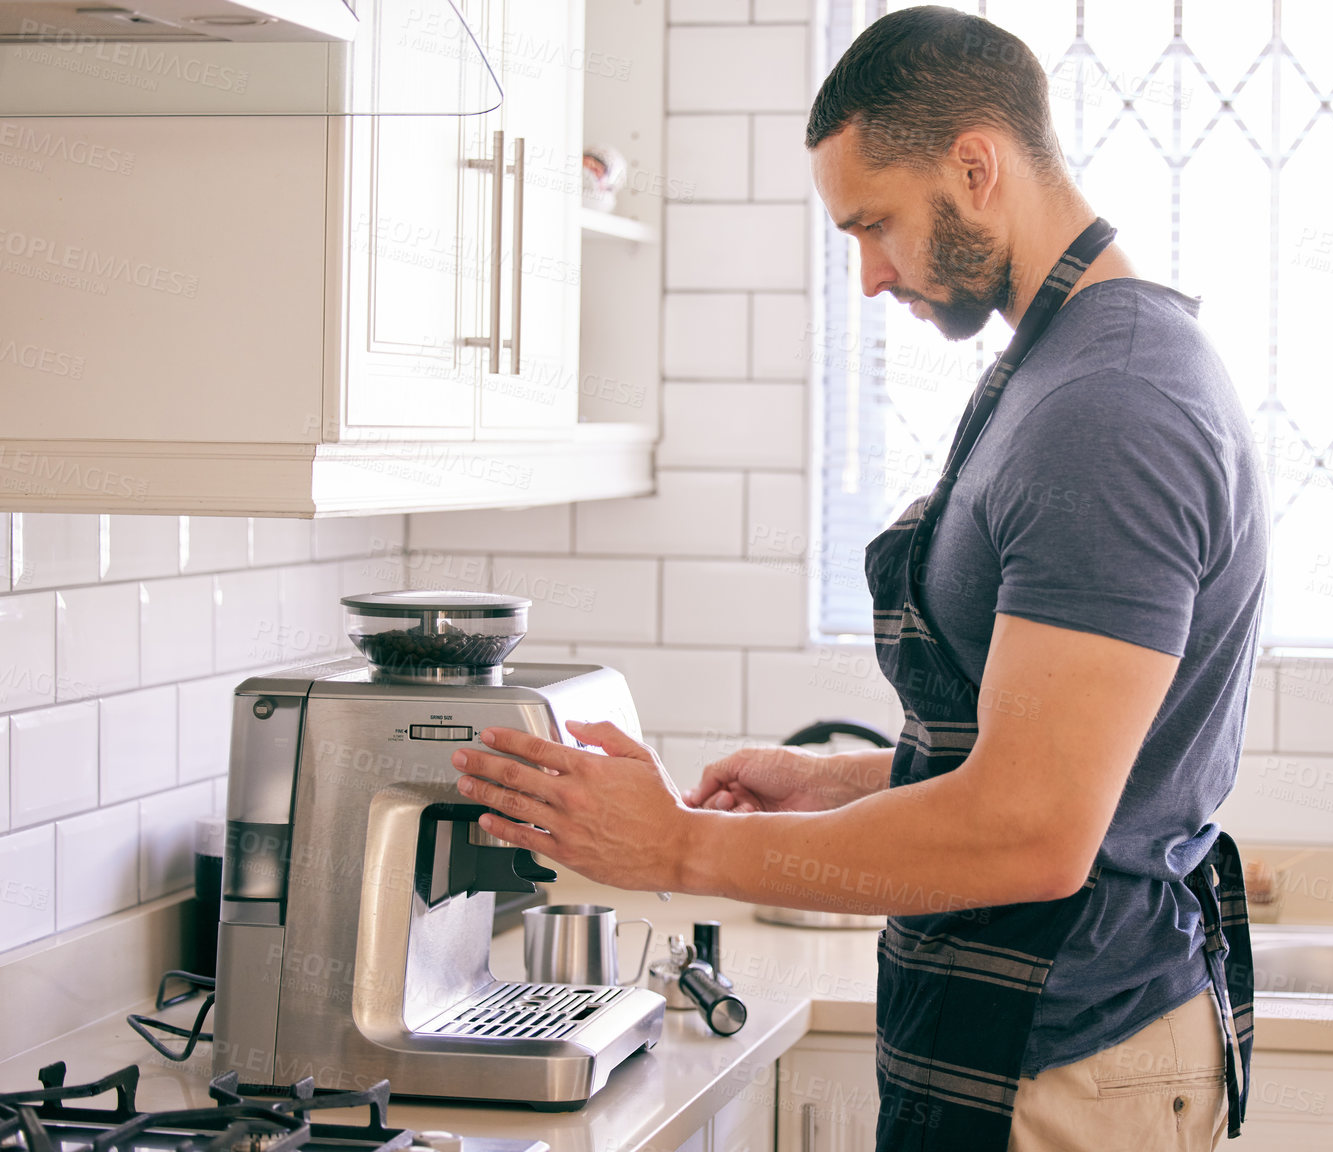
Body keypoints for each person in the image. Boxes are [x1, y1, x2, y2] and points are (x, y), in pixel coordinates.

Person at [449, 8, 1267, 1150]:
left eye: (875, 224)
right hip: (1025, 1038)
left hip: (1066, 1052)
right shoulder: (1064, 369)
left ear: (976, 166)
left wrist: (680, 850)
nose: (872, 275)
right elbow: (1071, 760)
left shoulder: (1109, 409)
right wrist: (843, 784)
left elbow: (1034, 830)